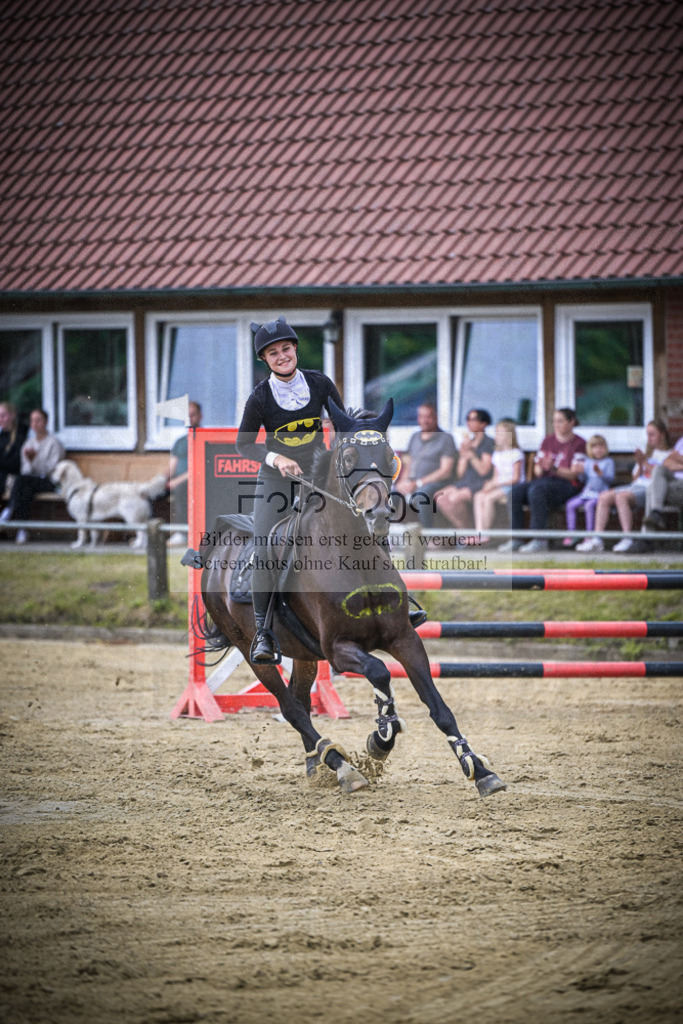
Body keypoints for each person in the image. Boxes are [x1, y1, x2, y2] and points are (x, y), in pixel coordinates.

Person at [236, 315, 344, 664]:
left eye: (286, 348)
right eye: (273, 353)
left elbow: (342, 425)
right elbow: (244, 445)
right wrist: (275, 458)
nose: (282, 356)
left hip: (318, 474)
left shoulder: (320, 383)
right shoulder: (260, 398)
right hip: (277, 479)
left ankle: (394, 600)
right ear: (264, 360)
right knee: (267, 544)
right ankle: (263, 632)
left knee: (363, 524)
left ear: (295, 348)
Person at [576, 419, 671, 553]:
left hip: (650, 490)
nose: (649, 439)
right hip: (636, 485)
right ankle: (597, 539)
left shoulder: (670, 455)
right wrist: (640, 464)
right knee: (603, 497)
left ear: (662, 434)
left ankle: (627, 538)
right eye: (647, 435)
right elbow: (636, 478)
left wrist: (644, 462)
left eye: (652, 434)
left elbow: (659, 476)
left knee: (621, 497)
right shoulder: (648, 454)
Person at [500, 407, 586, 553]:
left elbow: (575, 474)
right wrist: (540, 466)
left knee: (537, 491)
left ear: (571, 422)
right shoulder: (548, 441)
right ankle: (517, 538)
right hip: (546, 482)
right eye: (554, 421)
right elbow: (538, 472)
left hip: (568, 485)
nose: (556, 425)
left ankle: (539, 540)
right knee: (515, 492)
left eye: (560, 421)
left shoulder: (579, 443)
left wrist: (554, 468)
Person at [0, 408, 65, 544]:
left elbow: (51, 470)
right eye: (32, 421)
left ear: (46, 422)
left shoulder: (54, 443)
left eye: (38, 420)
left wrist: (35, 460)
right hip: (30, 482)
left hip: (49, 482)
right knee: (25, 487)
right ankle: (22, 529)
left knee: (23, 483)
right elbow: (25, 470)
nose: (35, 424)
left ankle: (10, 509)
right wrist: (30, 461)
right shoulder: (28, 443)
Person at [393, 402, 457, 527]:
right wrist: (402, 482)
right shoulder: (415, 437)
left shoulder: (446, 438)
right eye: (421, 416)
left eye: (428, 416)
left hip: (436, 482)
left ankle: (430, 536)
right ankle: (389, 536)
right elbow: (409, 464)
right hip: (412, 482)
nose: (424, 420)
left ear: (436, 418)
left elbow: (446, 471)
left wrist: (418, 483)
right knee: (393, 494)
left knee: (421, 495)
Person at [433, 408, 494, 529]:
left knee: (454, 499)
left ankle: (468, 532)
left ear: (483, 424)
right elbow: (460, 474)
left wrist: (471, 454)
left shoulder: (488, 443)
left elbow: (484, 471)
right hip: (465, 482)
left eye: (473, 419)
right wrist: (464, 455)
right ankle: (465, 530)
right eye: (468, 419)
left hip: (481, 483)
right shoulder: (468, 442)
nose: (468, 422)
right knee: (439, 497)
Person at [472, 418, 525, 543]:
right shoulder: (497, 454)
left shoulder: (516, 453)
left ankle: (485, 533)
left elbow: (516, 478)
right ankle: (479, 531)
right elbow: (496, 476)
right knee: (479, 496)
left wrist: (496, 484)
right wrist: (490, 484)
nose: (496, 436)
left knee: (488, 498)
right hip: (500, 485)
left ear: (509, 436)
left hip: (513, 486)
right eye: (496, 433)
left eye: (500, 433)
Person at [562, 434, 615, 546]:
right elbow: (583, 479)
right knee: (570, 505)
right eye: (595, 447)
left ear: (605, 448)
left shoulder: (608, 462)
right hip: (587, 492)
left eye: (601, 446)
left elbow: (611, 480)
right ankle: (571, 533)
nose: (598, 450)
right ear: (590, 449)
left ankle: (589, 535)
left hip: (600, 494)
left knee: (589, 506)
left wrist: (601, 474)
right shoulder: (588, 462)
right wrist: (579, 472)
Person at [167, 400, 202, 547]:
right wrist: (161, 479)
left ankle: (181, 533)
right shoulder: (180, 442)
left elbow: (200, 467)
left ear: (200, 416)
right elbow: (171, 466)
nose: (190, 419)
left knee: (181, 489)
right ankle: (146, 536)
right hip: (176, 481)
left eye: (193, 415)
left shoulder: (202, 438)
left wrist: (177, 480)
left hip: (195, 480)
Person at [643, 433, 683, 532]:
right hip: (674, 482)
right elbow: (666, 462)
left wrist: (678, 459)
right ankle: (656, 512)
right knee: (659, 469)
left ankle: (648, 539)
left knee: (652, 488)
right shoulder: (681, 441)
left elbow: (673, 459)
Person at [0, 400, 27, 500]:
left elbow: (17, 462)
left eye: (3, 416)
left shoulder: (21, 434)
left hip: (13, 476)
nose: (0, 419)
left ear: (12, 416)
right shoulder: (2, 435)